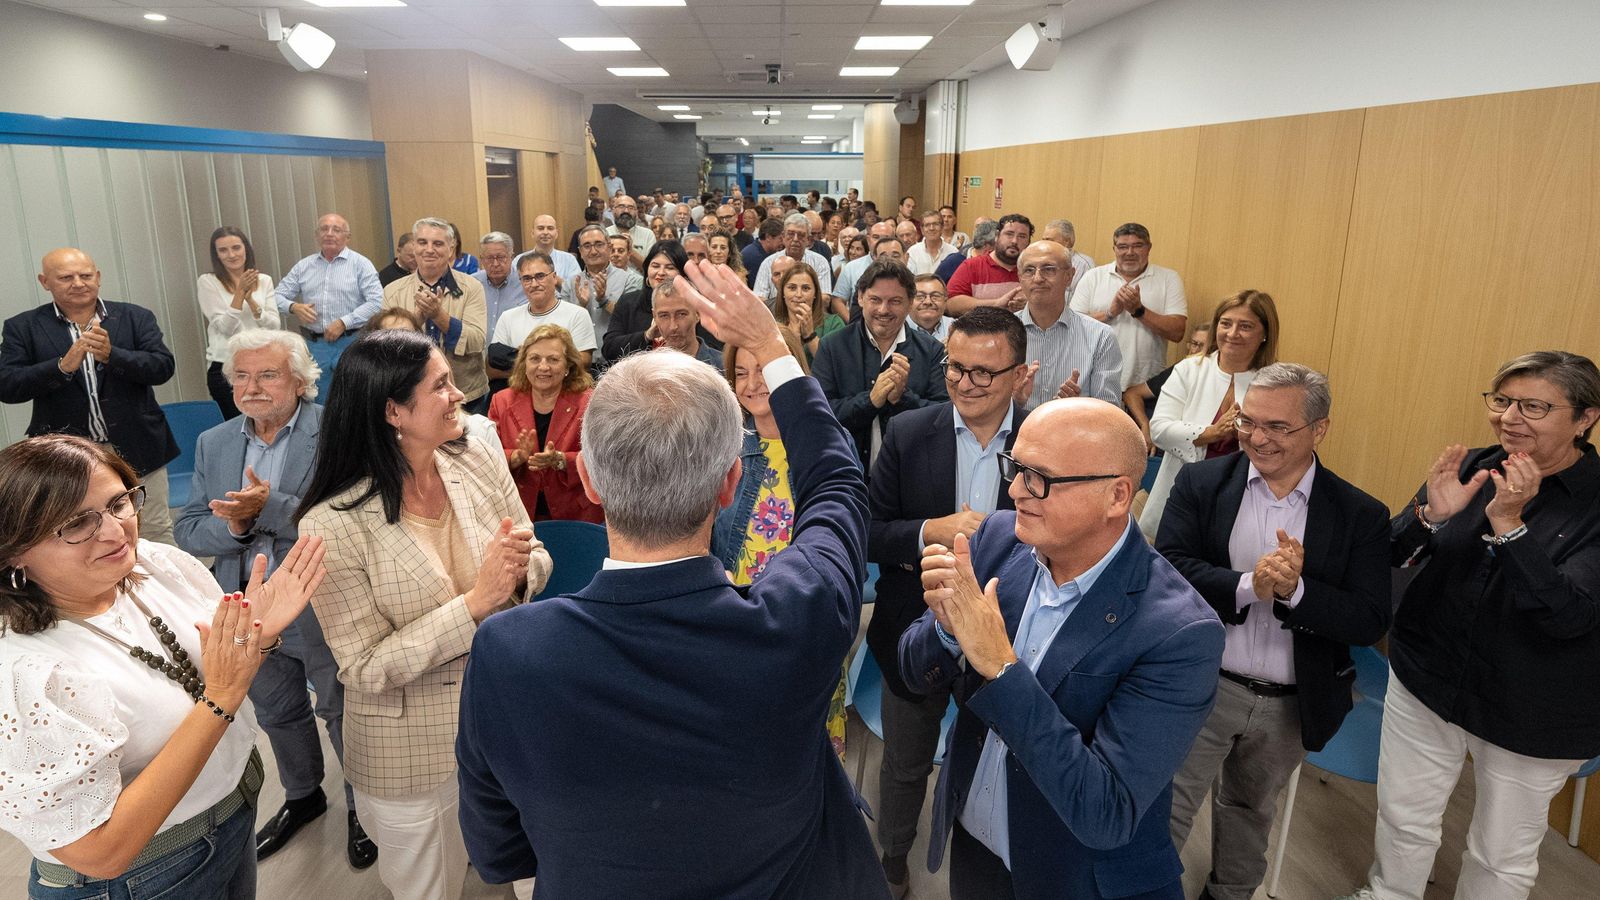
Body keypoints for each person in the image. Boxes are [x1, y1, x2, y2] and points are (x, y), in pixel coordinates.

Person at [455, 260, 890, 899]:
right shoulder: (798, 616)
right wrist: (771, 345)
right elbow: (837, 485)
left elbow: (499, 850)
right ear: (729, 485)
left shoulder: (508, 649)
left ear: (590, 481)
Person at [902, 398, 1225, 900]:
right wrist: (945, 630)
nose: (1014, 491)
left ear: (1117, 495)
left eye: (1039, 478)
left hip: (1073, 879)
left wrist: (1002, 668)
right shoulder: (997, 539)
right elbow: (912, 670)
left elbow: (1107, 812)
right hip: (976, 851)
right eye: (1016, 467)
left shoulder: (1181, 632)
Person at [0, 433, 325, 897]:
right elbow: (101, 853)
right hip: (148, 877)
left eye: (118, 504)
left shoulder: (154, 566)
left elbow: (216, 676)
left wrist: (258, 638)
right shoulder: (20, 673)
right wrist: (221, 699)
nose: (114, 532)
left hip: (233, 815)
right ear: (13, 552)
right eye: (76, 524)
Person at [296, 329, 551, 900]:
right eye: (441, 385)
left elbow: (535, 551)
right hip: (411, 751)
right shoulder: (331, 523)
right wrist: (476, 603)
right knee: (426, 888)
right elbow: (363, 667)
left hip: (509, 720)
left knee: (536, 874)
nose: (461, 393)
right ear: (393, 411)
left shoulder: (474, 458)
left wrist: (514, 577)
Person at [1336, 351, 1600, 900]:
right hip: (1428, 675)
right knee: (1404, 815)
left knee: (1499, 854)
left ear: (1585, 419)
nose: (1509, 418)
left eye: (1534, 406)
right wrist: (1430, 516)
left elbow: (1570, 616)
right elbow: (1388, 552)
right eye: (1502, 401)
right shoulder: (1478, 465)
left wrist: (1509, 525)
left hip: (1531, 707)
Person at [1156, 363, 1392, 900]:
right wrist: (1249, 586)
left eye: (1278, 427)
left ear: (1320, 430)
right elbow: (1168, 567)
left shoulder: (1360, 514)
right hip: (1203, 684)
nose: (1258, 438)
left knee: (1250, 813)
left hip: (1291, 700)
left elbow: (1370, 617)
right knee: (1166, 804)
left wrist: (1295, 592)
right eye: (1247, 421)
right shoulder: (1202, 482)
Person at [172, 329, 377, 870]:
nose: (251, 387)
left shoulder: (338, 430)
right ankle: (303, 795)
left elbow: (355, 519)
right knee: (277, 710)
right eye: (240, 375)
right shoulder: (213, 442)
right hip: (243, 606)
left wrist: (267, 508)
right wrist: (238, 528)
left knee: (339, 708)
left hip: (321, 599)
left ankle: (364, 810)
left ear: (301, 380)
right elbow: (190, 530)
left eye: (267, 374)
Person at [867, 308, 1031, 898]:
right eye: (955, 367)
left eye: (984, 373)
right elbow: (868, 530)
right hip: (914, 628)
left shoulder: (1043, 441)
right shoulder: (912, 432)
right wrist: (933, 529)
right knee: (906, 764)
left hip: (1014, 640)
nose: (965, 383)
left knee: (999, 769)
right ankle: (890, 860)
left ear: (1019, 375)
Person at [0, 248, 180, 546]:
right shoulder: (23, 327)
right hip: (66, 456)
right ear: (45, 282)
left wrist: (114, 355)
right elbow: (7, 386)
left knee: (155, 530)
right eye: (66, 277)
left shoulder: (135, 317)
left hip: (138, 444)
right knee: (83, 535)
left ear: (98, 277)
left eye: (85, 275)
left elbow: (162, 367)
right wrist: (61, 367)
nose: (78, 283)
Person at [1140, 291, 1280, 538]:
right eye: (1226, 324)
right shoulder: (1189, 370)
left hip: (1241, 500)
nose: (1233, 333)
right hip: (1182, 494)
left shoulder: (1274, 383)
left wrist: (1247, 435)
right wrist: (1211, 432)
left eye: (1245, 326)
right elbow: (1159, 429)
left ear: (1265, 334)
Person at [813, 260, 950, 474]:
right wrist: (870, 401)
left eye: (895, 301)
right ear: (860, 297)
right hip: (847, 476)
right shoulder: (832, 347)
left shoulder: (932, 351)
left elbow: (944, 418)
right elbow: (820, 415)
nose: (883, 310)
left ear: (910, 302)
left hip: (913, 476)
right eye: (875, 300)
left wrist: (902, 398)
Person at [488, 325, 601, 524]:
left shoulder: (589, 403)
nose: (543, 367)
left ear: (568, 367)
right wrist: (515, 457)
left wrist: (561, 460)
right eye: (535, 359)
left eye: (553, 359)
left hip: (576, 515)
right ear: (524, 364)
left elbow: (602, 459)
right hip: (519, 514)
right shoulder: (501, 401)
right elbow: (486, 456)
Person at [274, 212, 384, 399]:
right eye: (324, 229)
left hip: (352, 342)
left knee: (354, 398)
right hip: (315, 346)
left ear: (347, 237)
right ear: (317, 235)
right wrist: (293, 307)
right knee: (317, 401)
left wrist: (344, 322)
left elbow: (376, 302)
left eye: (336, 230)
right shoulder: (304, 266)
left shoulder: (361, 264)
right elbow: (276, 296)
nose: (329, 233)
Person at [1071, 223, 1189, 390]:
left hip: (1145, 385)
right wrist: (1110, 313)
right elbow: (1073, 326)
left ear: (1149, 248)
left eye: (1137, 246)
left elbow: (1178, 332)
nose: (1129, 252)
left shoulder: (1168, 279)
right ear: (1114, 249)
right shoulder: (1093, 277)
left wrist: (1138, 311)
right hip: (1095, 380)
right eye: (1123, 247)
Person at [1011, 240, 1123, 408]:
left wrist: (1075, 411)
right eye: (1029, 270)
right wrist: (1014, 403)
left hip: (1075, 433)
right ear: (1020, 278)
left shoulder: (1100, 336)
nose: (1038, 278)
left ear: (1069, 276)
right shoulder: (1001, 333)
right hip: (1015, 432)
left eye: (1048, 269)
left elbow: (1108, 410)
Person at [198, 226, 279, 420]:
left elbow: (273, 326)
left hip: (262, 362)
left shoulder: (264, 280)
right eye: (223, 250)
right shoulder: (208, 282)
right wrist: (239, 294)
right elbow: (226, 328)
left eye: (236, 248)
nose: (231, 254)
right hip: (226, 367)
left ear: (246, 249)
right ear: (216, 255)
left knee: (266, 423)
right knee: (238, 427)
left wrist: (251, 301)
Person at [488, 251, 597, 382]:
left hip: (565, 394)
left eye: (540, 276)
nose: (534, 284)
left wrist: (518, 357)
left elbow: (582, 363)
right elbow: (492, 369)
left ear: (554, 277)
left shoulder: (577, 314)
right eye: (527, 278)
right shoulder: (508, 317)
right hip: (519, 394)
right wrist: (555, 361)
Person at [1125, 322, 1213, 454]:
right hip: (1163, 439)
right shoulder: (1182, 369)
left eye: (1204, 347)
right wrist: (1145, 425)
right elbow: (1131, 394)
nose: (1196, 351)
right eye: (1194, 344)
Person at [602, 239, 687, 362]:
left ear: (682, 274)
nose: (661, 273)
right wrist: (646, 336)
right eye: (655, 266)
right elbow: (609, 349)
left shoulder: (691, 304)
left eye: (670, 267)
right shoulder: (628, 302)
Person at [571, 224, 641, 366]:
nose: (593, 251)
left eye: (598, 244)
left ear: (608, 247)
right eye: (587, 246)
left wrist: (603, 300)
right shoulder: (571, 283)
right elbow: (565, 326)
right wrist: (581, 306)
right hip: (580, 365)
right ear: (580, 251)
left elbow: (630, 319)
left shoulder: (630, 279)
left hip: (618, 363)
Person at [947, 213, 1031, 316]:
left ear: (1028, 243)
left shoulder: (1033, 271)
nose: (1014, 241)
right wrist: (995, 304)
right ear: (997, 236)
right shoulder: (972, 266)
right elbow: (950, 304)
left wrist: (1031, 305)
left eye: (1022, 236)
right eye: (1009, 234)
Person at [773, 261, 845, 363]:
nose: (798, 294)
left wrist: (810, 336)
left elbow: (836, 365)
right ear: (783, 293)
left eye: (805, 288)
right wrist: (793, 339)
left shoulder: (834, 323)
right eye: (792, 288)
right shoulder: (773, 327)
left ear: (815, 293)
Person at [752, 213, 834, 300]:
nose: (795, 239)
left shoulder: (820, 262)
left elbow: (825, 298)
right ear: (783, 236)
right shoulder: (768, 263)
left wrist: (796, 304)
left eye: (801, 235)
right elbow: (759, 298)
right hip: (775, 312)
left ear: (808, 239)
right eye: (790, 234)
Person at [513, 215, 583, 305]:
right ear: (532, 233)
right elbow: (515, 292)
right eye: (541, 228)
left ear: (556, 233)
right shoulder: (519, 260)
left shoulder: (569, 259)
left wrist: (553, 279)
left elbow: (576, 291)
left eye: (550, 228)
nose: (545, 232)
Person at [472, 232, 522, 339]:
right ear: (481, 259)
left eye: (501, 257)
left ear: (511, 257)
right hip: (480, 353)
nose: (495, 264)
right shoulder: (472, 284)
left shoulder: (526, 282)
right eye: (489, 258)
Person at [1040, 218, 1094, 296]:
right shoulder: (1039, 262)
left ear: (1067, 242)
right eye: (1043, 240)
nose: (1045, 244)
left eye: (1049, 240)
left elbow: (1087, 298)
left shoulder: (1084, 265)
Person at [908, 210, 959, 277]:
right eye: (927, 225)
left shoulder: (953, 252)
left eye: (935, 224)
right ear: (922, 230)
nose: (931, 228)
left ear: (942, 227)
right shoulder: (913, 252)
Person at [741, 217, 786, 287]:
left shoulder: (762, 251)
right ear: (768, 237)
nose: (783, 242)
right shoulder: (753, 257)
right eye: (780, 238)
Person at [910, 274, 954, 343]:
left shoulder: (958, 329)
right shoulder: (896, 329)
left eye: (935, 296)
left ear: (945, 301)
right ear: (908, 301)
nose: (928, 302)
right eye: (920, 296)